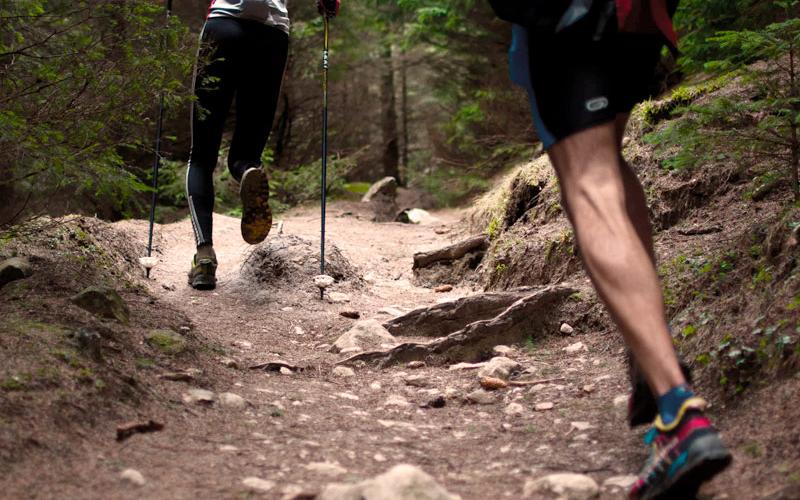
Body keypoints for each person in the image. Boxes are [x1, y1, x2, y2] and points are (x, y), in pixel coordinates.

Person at [493, 1, 732, 498]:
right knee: (607, 162)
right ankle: (651, 363)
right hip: (641, 11)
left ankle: (678, 412)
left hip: (569, 13)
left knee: (589, 182)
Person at [186, 0, 339, 290]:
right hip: (271, 37)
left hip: (223, 28)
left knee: (201, 155)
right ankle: (246, 171)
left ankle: (204, 256)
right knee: (246, 154)